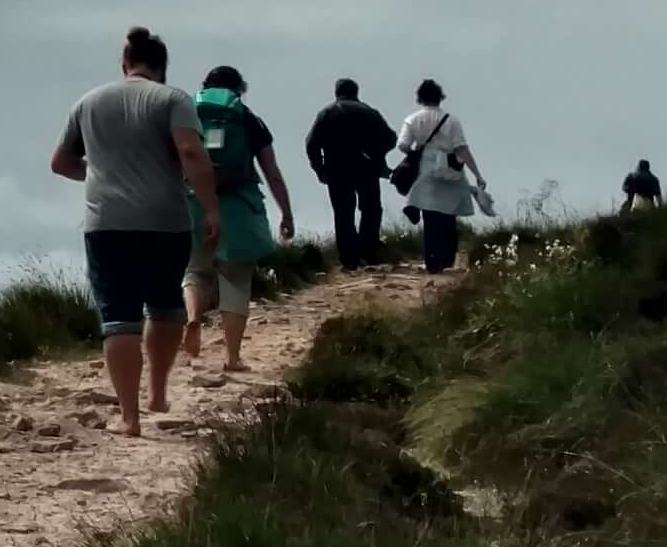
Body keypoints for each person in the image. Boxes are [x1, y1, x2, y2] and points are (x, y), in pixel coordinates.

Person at [52, 25, 222, 436]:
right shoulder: (173, 99)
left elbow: (61, 162)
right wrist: (212, 207)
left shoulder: (88, 102)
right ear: (161, 68)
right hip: (166, 220)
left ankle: (129, 417)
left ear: (124, 64)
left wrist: (99, 174)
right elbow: (190, 151)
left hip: (106, 222)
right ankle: (158, 392)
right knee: (165, 304)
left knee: (118, 315)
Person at [191, 65, 295, 371]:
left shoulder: (187, 114)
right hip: (238, 202)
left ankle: (193, 318)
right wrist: (286, 213)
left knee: (195, 271)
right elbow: (272, 173)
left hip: (193, 200)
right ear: (240, 89)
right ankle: (233, 357)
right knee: (235, 279)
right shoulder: (248, 119)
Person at [394, 77, 484, 271]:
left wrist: (415, 153)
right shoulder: (451, 120)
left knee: (430, 217)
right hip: (450, 170)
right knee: (448, 216)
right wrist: (477, 174)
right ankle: (447, 257)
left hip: (425, 172)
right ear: (440, 97)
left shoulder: (412, 119)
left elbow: (402, 145)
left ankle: (432, 260)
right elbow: (461, 149)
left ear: (420, 98)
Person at [303, 78, 396, 266]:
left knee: (343, 212)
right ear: (356, 92)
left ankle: (349, 258)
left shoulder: (326, 113)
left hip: (337, 170)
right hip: (366, 168)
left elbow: (311, 143)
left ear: (336, 92)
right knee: (371, 209)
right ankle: (369, 252)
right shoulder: (369, 112)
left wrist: (320, 169)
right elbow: (391, 138)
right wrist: (377, 155)